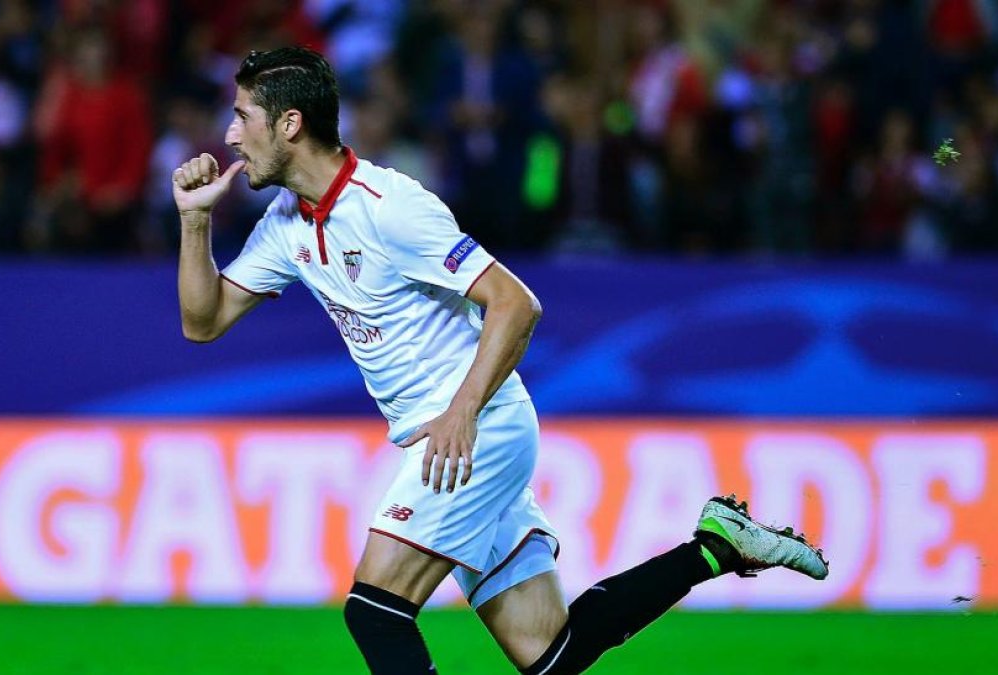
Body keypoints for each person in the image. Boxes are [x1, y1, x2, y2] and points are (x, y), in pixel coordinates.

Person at [172, 46, 828, 675]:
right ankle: (717, 545)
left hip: (475, 430)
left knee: (375, 611)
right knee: (549, 651)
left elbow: (516, 303)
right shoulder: (285, 224)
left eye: (242, 116)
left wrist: (462, 411)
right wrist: (195, 221)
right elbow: (203, 322)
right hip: (451, 438)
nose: (229, 135)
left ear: (289, 124)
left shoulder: (391, 208)